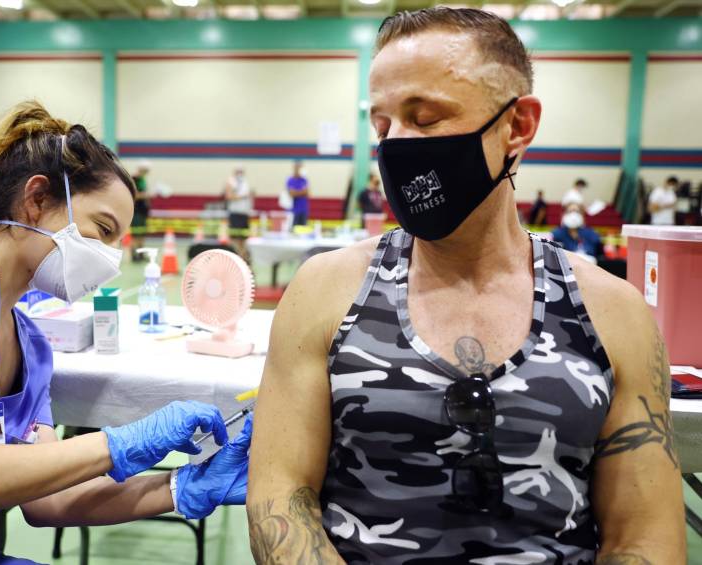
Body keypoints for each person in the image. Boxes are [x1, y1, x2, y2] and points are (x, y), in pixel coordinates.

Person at [247, 8, 684, 564]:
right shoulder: (326, 290)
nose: (397, 144)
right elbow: (280, 499)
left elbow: (644, 537)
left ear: (517, 126)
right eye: (382, 126)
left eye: (425, 118)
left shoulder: (612, 311)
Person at [0, 101, 251, 565]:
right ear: (36, 199)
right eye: (102, 229)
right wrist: (118, 443)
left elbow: (47, 502)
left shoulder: (32, 349)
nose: (109, 260)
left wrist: (178, 485)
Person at [224, 165, 253, 258]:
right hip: (235, 214)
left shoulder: (245, 182)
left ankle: (242, 256)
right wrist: (243, 196)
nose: (240, 174)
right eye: (238, 171)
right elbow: (229, 196)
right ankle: (236, 256)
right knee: (235, 238)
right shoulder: (231, 182)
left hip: (244, 214)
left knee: (243, 238)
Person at [130, 159, 151, 261]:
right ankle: (134, 255)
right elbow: (133, 194)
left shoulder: (142, 179)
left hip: (143, 211)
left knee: (142, 234)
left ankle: (141, 254)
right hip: (136, 211)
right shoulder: (134, 179)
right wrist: (145, 195)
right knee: (136, 234)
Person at [286, 160, 309, 226]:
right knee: (293, 230)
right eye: (299, 167)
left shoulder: (304, 180)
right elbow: (292, 194)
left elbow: (308, 193)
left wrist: (297, 192)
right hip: (293, 210)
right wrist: (302, 192)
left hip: (303, 209)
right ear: (295, 168)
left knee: (303, 230)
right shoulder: (290, 180)